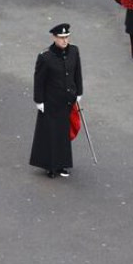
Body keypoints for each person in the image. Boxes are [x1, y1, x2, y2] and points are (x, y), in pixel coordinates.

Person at [30, 24, 83, 178]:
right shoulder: (45, 57)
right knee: (51, 135)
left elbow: (77, 72)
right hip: (51, 102)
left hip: (67, 100)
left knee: (63, 135)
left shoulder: (74, 51)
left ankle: (62, 165)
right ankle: (50, 167)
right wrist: (39, 100)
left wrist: (79, 91)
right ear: (54, 38)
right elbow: (39, 81)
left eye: (66, 37)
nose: (65, 40)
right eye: (61, 38)